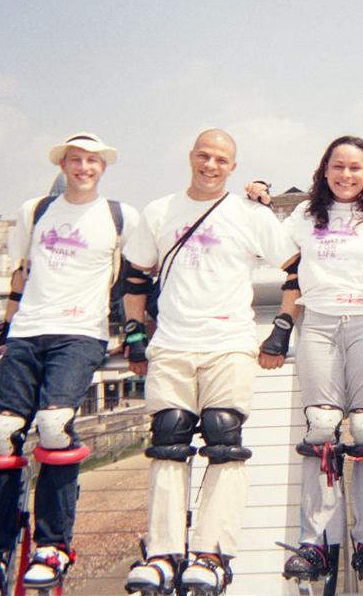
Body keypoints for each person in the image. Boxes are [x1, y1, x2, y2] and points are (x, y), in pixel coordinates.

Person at [0, 133, 137, 595]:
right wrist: (0, 336)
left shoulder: (119, 216)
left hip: (81, 332)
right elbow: (22, 273)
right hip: (28, 332)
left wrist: (134, 332)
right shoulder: (36, 210)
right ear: (63, 165)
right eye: (75, 160)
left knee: (53, 424)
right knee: (0, 434)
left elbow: (135, 275)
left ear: (102, 167)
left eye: (92, 161)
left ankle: (54, 545)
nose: (83, 167)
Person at [121, 129, 297, 595]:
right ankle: (162, 553)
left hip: (230, 342)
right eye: (204, 155)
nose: (211, 165)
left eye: (221, 159)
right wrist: (135, 334)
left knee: (225, 438)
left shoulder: (249, 214)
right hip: (173, 345)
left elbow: (295, 269)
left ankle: (212, 552)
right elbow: (134, 277)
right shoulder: (159, 212)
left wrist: (280, 329)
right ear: (191, 157)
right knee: (168, 439)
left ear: (233, 167)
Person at [250, 136, 363, 586]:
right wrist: (257, 200)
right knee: (321, 428)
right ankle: (317, 542)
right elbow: (278, 258)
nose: (346, 175)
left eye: (356, 168)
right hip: (320, 323)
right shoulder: (305, 215)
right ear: (325, 170)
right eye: (338, 167)